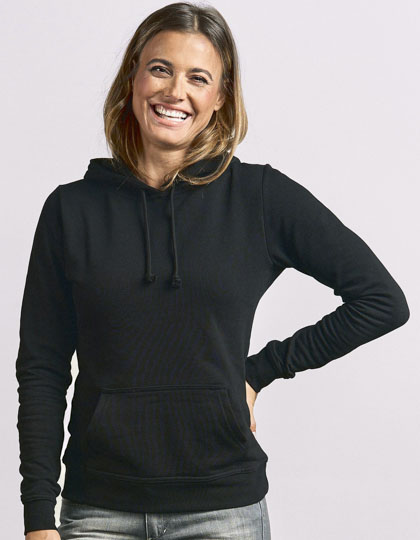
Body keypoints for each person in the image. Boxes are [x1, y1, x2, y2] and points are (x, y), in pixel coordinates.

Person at [15, 2, 410, 539]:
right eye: (160, 69)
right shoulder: (71, 209)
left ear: (220, 97)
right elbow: (42, 367)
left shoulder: (258, 198)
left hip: (223, 512)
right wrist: (38, 515)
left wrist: (262, 369)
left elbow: (382, 301)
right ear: (133, 77)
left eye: (198, 78)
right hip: (97, 510)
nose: (175, 91)